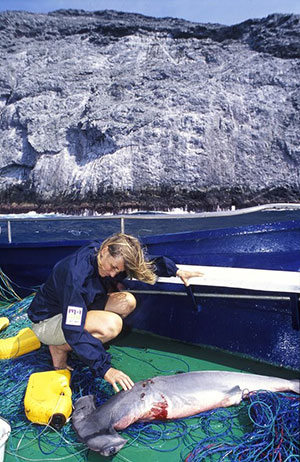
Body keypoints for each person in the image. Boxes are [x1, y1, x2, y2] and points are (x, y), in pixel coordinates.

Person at [28, 233, 203, 392]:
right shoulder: (75, 276)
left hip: (78, 306)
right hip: (48, 322)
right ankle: (59, 347)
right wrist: (105, 369)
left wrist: (175, 271)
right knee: (112, 326)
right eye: (112, 267)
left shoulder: (104, 252)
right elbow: (73, 329)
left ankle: (77, 345)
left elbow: (142, 265)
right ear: (104, 251)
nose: (112, 274)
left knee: (127, 302)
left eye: (117, 270)